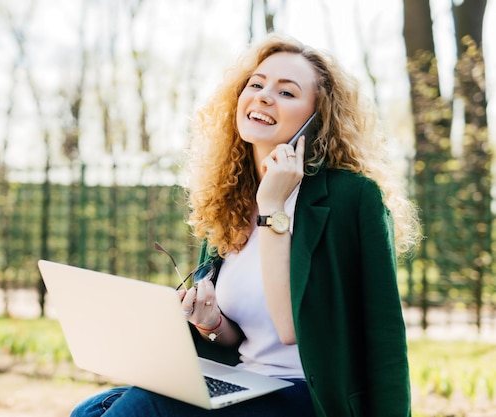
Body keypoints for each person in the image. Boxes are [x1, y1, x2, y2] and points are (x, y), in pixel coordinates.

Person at [69, 33, 421, 417]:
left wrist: (272, 206)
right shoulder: (229, 201)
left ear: (317, 117)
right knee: (93, 409)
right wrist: (212, 323)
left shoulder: (352, 197)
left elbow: (368, 334)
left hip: (310, 398)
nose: (265, 96)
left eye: (287, 93)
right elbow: (238, 337)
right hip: (243, 384)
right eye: (256, 84)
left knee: (144, 407)